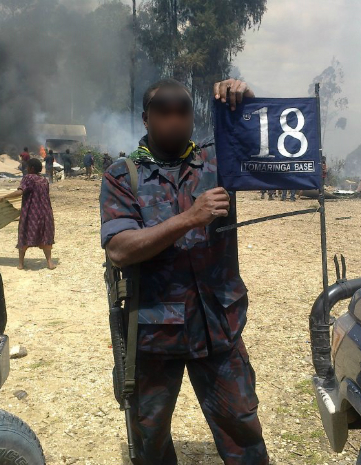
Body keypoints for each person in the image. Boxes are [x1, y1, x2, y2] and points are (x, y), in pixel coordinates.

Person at [101, 78, 268, 465]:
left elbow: (264, 144)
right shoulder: (123, 175)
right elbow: (120, 249)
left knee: (241, 425)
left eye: (183, 111)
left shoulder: (217, 160)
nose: (174, 120)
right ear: (146, 118)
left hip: (218, 326)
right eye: (163, 111)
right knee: (150, 433)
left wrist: (248, 102)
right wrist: (190, 218)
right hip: (156, 332)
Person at [0, 158, 56, 270]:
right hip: (45, 212)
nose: (26, 169)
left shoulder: (28, 178)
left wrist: (5, 196)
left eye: (28, 167)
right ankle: (49, 263)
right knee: (46, 236)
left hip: (31, 213)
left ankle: (21, 264)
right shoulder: (44, 180)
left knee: (24, 234)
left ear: (32, 168)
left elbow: (20, 191)